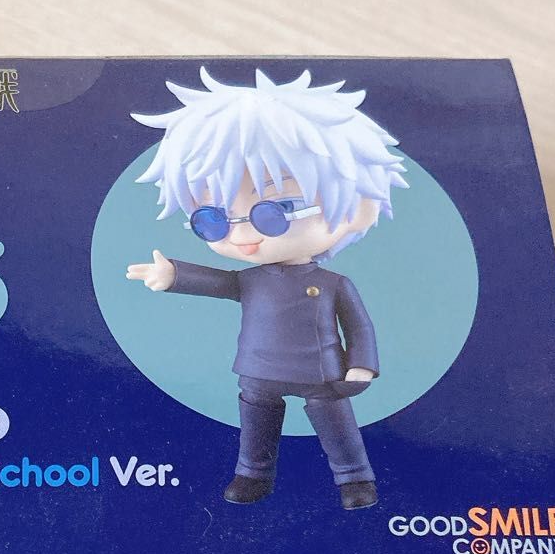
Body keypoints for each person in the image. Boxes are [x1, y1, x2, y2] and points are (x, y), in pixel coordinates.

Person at [125, 67, 407, 509]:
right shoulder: (251, 280)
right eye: (213, 218)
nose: (242, 235)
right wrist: (174, 275)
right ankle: (252, 474)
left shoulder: (333, 283)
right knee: (255, 424)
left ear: (358, 209)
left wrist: (362, 366)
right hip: (258, 369)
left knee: (336, 424)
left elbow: (359, 327)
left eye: (274, 212)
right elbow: (222, 283)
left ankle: (354, 478)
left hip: (323, 374)